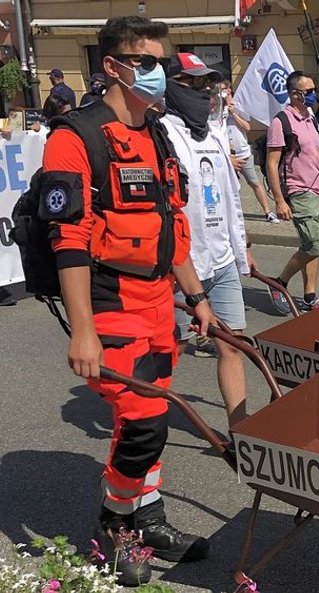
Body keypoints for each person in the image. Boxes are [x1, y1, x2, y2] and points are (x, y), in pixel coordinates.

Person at [42, 16, 214, 586]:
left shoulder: (157, 134)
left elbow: (169, 226)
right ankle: (114, 526)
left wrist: (198, 296)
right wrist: (82, 330)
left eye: (160, 62)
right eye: (145, 62)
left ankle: (150, 518)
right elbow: (67, 241)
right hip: (108, 295)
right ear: (112, 65)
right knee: (142, 419)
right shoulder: (75, 137)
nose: (157, 73)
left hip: (160, 298)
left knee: (152, 415)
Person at [160, 54, 254, 427]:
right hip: (182, 266)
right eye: (193, 83)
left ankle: (241, 430)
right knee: (171, 349)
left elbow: (230, 195)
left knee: (232, 344)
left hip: (222, 258)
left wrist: (243, 246)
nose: (203, 91)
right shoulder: (161, 133)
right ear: (172, 85)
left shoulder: (215, 133)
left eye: (206, 84)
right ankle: (141, 421)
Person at [265, 70, 319, 314]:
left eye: (314, 91)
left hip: (318, 189)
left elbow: (316, 156)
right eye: (309, 92)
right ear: (295, 94)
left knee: (317, 245)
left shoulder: (310, 119)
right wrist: (280, 201)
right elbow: (271, 163)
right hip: (299, 191)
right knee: (312, 245)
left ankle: (310, 295)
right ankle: (278, 282)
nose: (314, 95)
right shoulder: (281, 122)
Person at [218, 78, 278, 223]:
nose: (221, 93)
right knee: (230, 186)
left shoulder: (239, 106)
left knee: (254, 182)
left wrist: (234, 114)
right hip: (227, 155)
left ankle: (268, 212)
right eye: (218, 90)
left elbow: (247, 127)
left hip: (243, 153)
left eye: (223, 90)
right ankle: (232, 214)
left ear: (229, 90)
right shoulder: (216, 108)